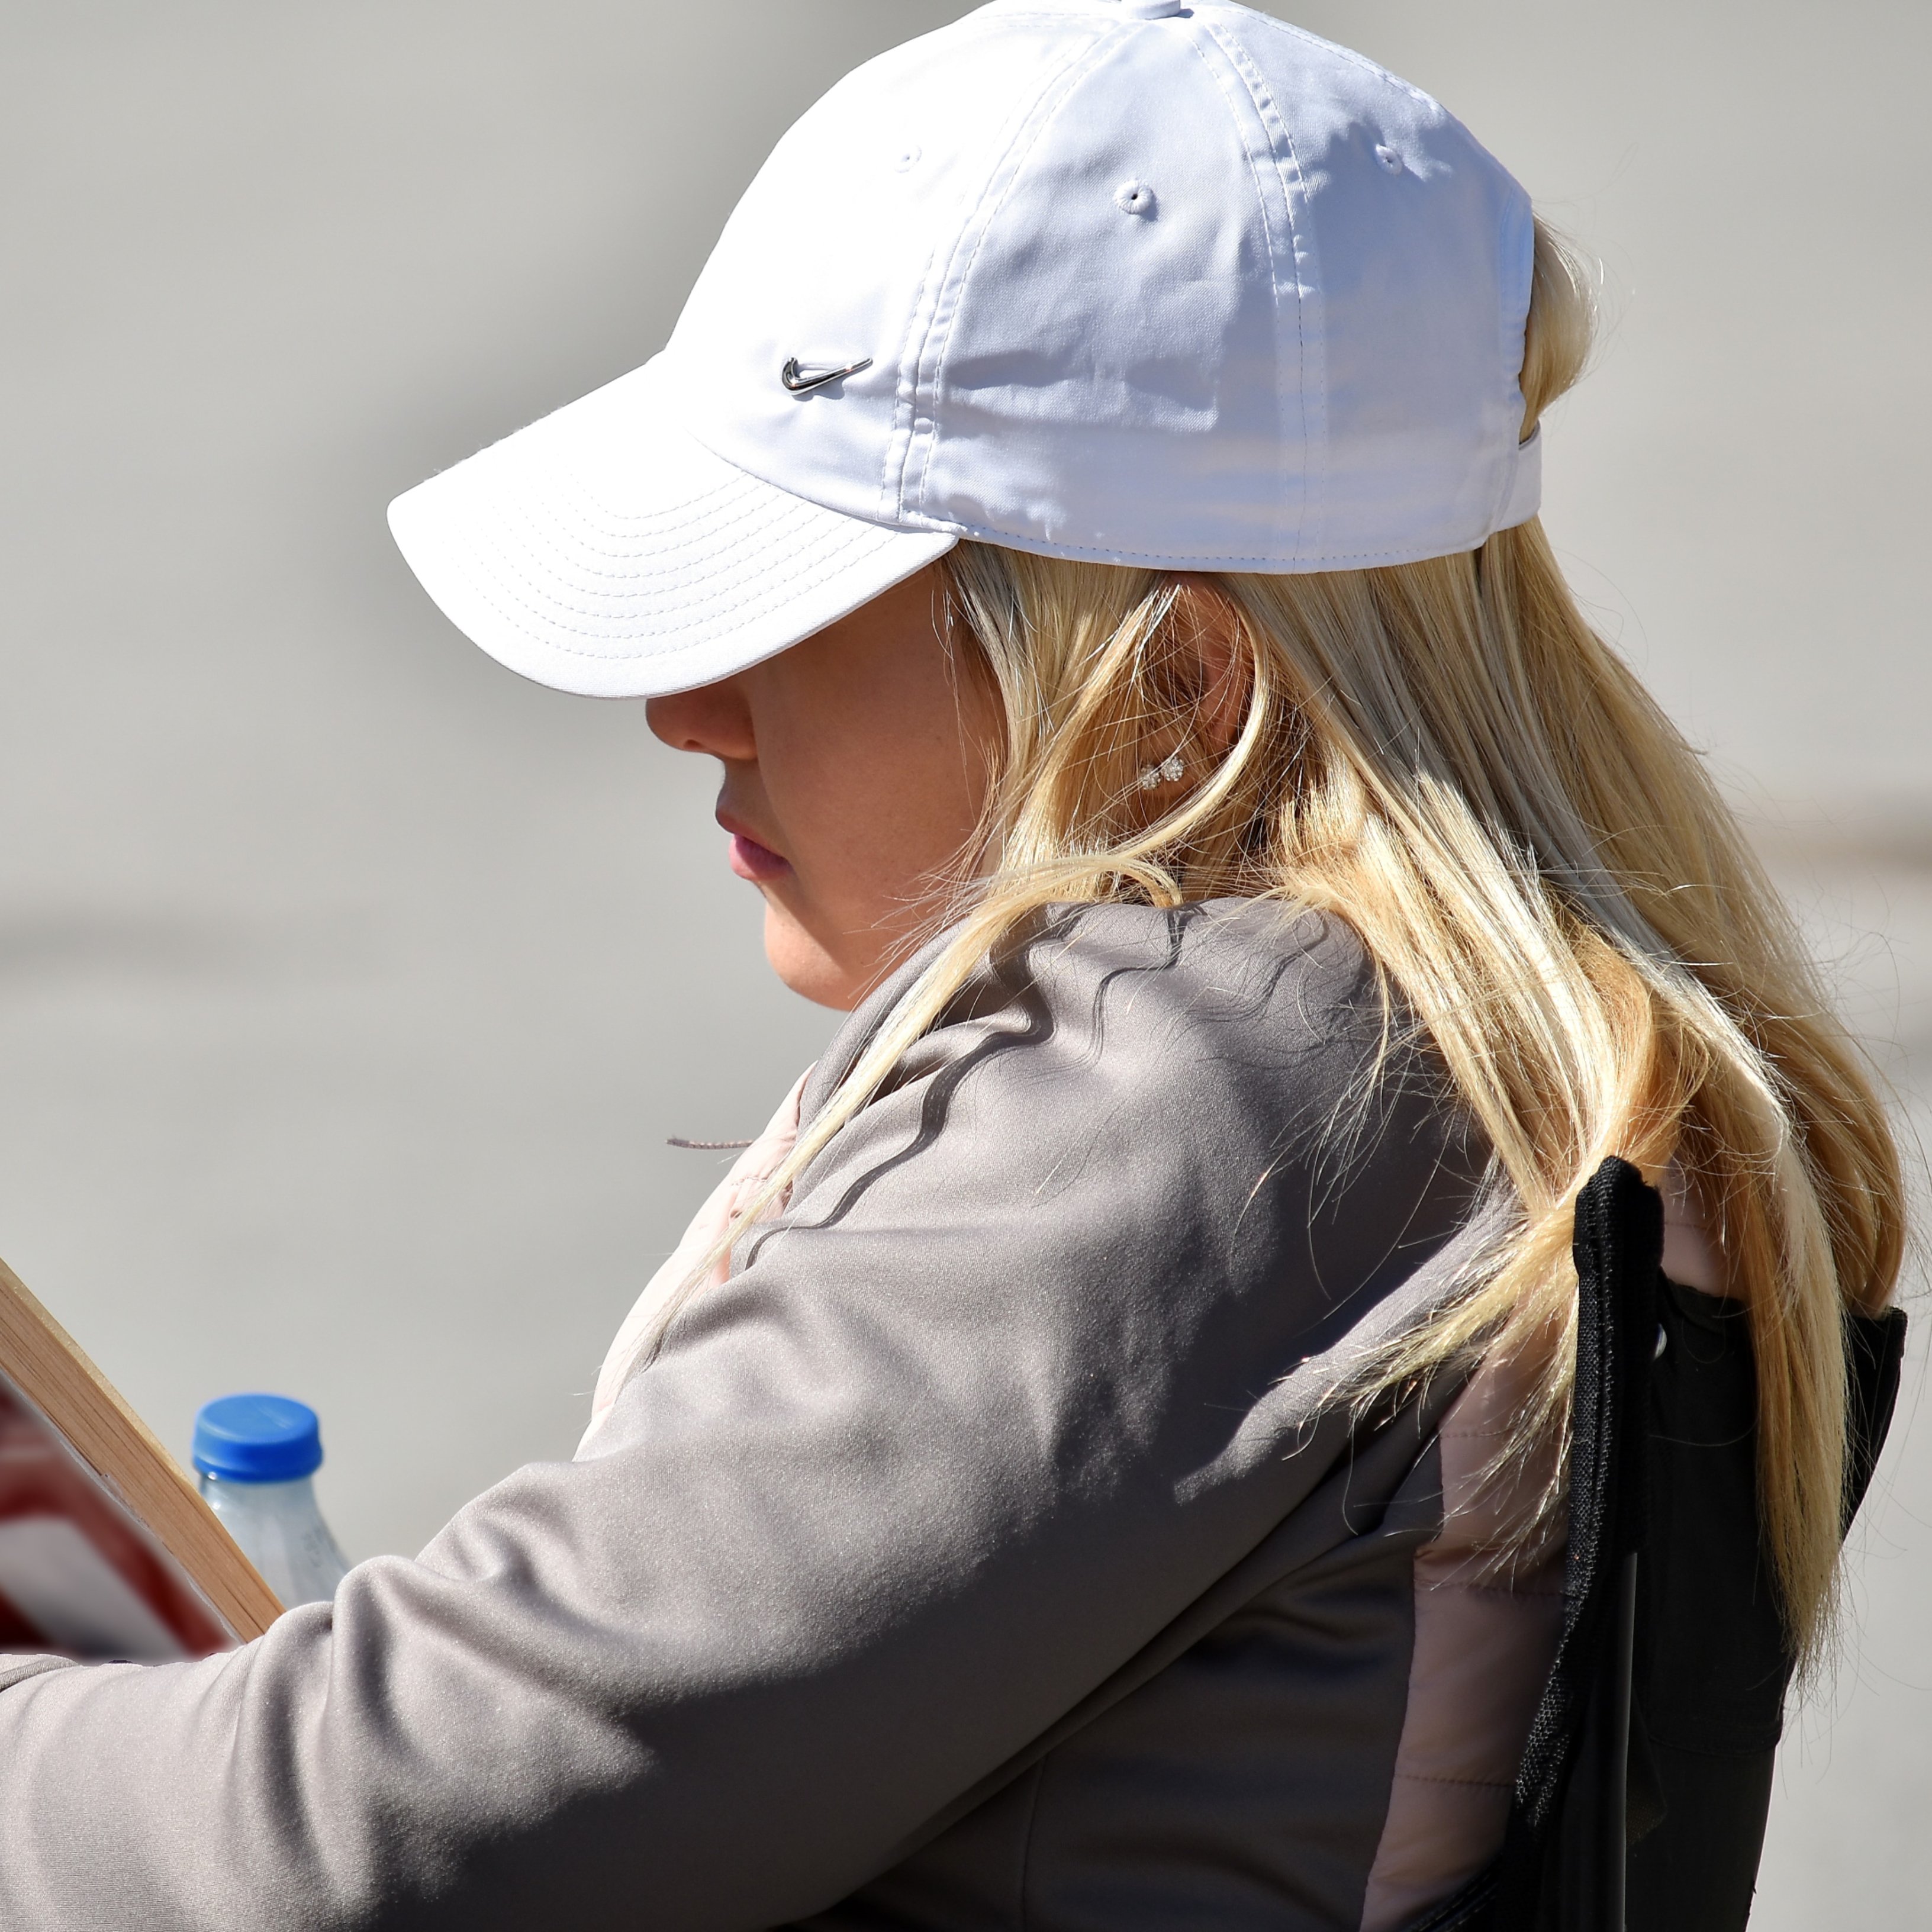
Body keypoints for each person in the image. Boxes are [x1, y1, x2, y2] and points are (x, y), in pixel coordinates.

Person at [0, 4, 1904, 1928]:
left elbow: (355, 1832)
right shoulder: (1467, 1052)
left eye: (792, 605)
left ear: (1175, 681)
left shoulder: (1217, 1100)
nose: (687, 708)